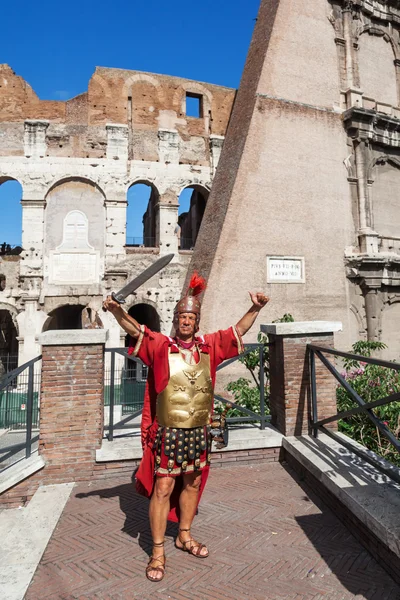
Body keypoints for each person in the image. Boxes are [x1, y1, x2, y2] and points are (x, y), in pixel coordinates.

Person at [103, 273, 269, 582]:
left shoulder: (210, 347)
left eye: (191, 317)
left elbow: (238, 330)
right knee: (164, 486)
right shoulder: (161, 346)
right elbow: (135, 329)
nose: (186, 321)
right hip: (169, 431)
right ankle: (156, 551)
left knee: (192, 482)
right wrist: (115, 310)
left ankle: (184, 535)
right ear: (176, 320)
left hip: (198, 431)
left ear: (197, 321)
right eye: (182, 316)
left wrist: (256, 308)